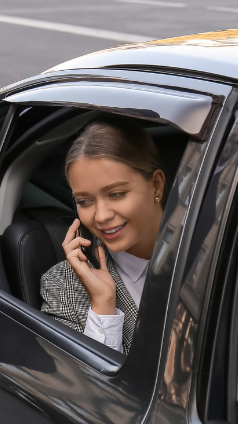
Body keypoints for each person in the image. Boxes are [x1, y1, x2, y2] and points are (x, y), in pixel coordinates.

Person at [39, 118, 165, 355]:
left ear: (156, 185)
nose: (101, 216)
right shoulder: (63, 286)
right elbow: (85, 387)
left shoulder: (221, 246)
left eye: (116, 194)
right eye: (85, 201)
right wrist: (103, 306)